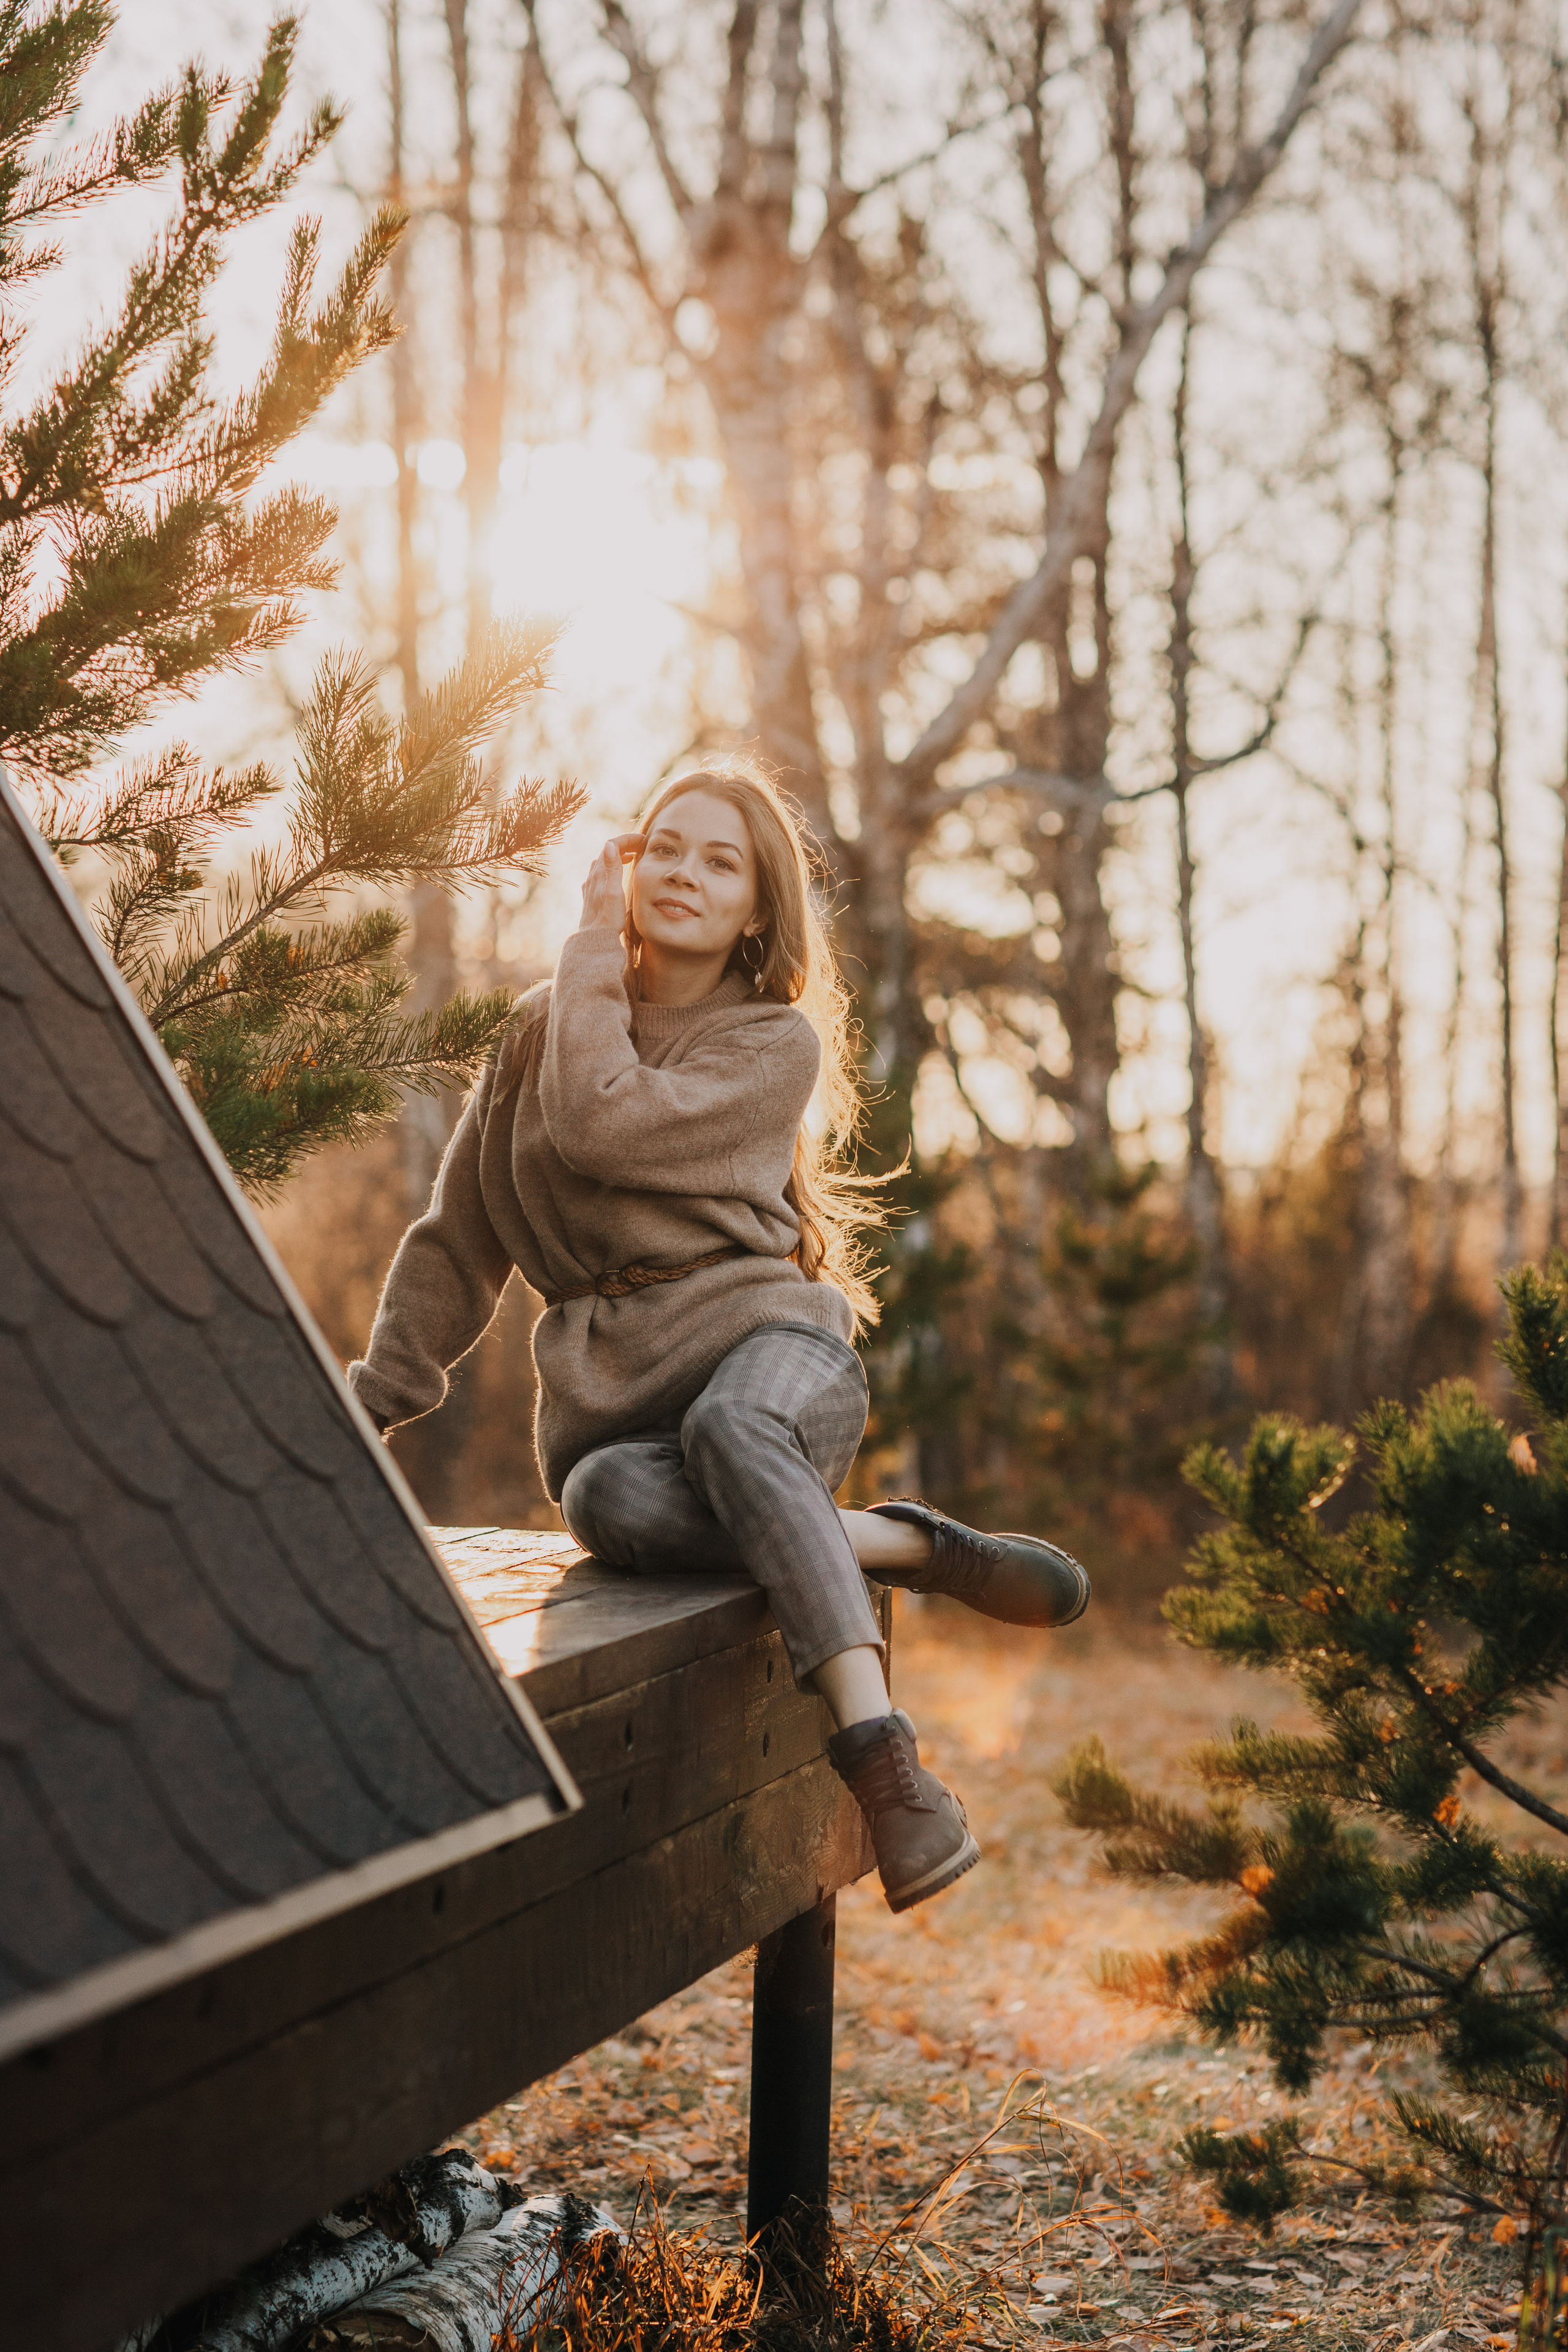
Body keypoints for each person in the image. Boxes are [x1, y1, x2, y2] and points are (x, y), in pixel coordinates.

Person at [349, 761, 1089, 1915]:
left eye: (721, 861)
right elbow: (462, 1235)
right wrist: (374, 1399)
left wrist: (589, 950)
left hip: (770, 1343)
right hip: (619, 1402)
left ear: (757, 908)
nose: (685, 874)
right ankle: (905, 1545)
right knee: (607, 1504)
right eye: (667, 847)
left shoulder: (770, 1043)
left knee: (736, 1429)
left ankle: (889, 1773)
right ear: (630, 863)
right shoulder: (542, 1027)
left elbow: (606, 1125)